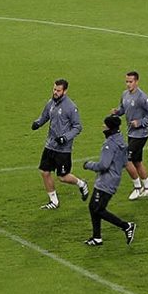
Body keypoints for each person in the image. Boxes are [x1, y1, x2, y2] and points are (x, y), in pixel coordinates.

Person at [31, 77, 88, 208]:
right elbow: (45, 116)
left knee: (63, 177)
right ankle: (54, 201)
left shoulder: (71, 107)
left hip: (63, 149)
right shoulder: (51, 102)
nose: (55, 92)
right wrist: (37, 123)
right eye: (54, 89)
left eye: (58, 90)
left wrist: (65, 137)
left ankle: (81, 183)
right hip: (50, 145)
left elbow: (77, 127)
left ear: (65, 91)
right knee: (44, 172)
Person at [80, 113, 135, 246]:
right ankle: (97, 237)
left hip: (106, 181)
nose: (103, 127)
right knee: (93, 207)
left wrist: (88, 165)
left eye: (105, 125)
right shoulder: (121, 140)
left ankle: (126, 226)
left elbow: (103, 165)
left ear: (109, 128)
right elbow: (124, 162)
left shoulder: (109, 144)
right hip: (114, 178)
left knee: (98, 209)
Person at [111, 71, 148, 199]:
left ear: (137, 82)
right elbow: (123, 109)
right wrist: (117, 112)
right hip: (131, 133)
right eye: (126, 81)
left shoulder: (142, 97)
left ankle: (138, 187)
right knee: (137, 161)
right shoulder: (125, 94)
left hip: (141, 134)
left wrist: (140, 122)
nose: (128, 84)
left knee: (127, 159)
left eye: (131, 82)